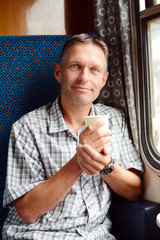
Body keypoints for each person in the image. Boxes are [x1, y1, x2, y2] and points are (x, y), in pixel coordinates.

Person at [3, 33, 143, 240]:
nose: (84, 77)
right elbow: (28, 211)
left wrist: (105, 166)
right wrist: (80, 161)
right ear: (58, 73)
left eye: (94, 70)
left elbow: (133, 191)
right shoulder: (26, 127)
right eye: (75, 66)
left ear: (103, 80)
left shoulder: (114, 118)